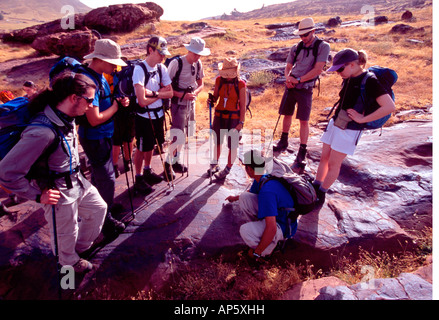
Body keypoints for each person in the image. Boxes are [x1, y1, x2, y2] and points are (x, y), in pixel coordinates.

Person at [0, 72, 107, 273]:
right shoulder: (42, 132)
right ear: (74, 98)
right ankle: (68, 266)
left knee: (98, 209)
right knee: (67, 232)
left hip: (78, 182)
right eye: (90, 100)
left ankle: (77, 252)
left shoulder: (67, 116)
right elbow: (6, 172)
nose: (92, 105)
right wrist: (38, 196)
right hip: (58, 192)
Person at [312, 48, 395, 205]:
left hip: (350, 130)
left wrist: (363, 119)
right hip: (336, 123)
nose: (338, 73)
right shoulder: (349, 77)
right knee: (324, 158)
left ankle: (321, 194)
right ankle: (316, 185)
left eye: (340, 69)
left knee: (333, 164)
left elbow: (389, 106)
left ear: (351, 64)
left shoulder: (370, 81)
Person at [78, 39, 130, 237]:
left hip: (104, 135)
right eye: (113, 62)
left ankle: (102, 209)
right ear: (100, 59)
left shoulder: (99, 76)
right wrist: (116, 107)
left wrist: (118, 101)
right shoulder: (88, 82)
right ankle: (104, 221)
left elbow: (102, 108)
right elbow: (94, 119)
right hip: (95, 137)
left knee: (101, 176)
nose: (115, 66)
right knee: (106, 178)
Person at [273, 17, 330, 170]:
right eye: (301, 35)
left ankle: (302, 150)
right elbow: (288, 66)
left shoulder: (323, 47)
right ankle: (283, 141)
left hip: (305, 88)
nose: (303, 38)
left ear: (313, 31)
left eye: (305, 35)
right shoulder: (296, 47)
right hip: (291, 86)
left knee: (303, 120)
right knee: (286, 114)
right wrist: (288, 78)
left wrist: (297, 80)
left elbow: (318, 70)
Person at [226, 150, 298, 259]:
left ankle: (267, 250)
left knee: (245, 231)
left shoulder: (267, 192)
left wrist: (256, 252)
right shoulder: (263, 176)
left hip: (283, 226)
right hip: (279, 215)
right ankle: (262, 234)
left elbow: (272, 228)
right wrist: (234, 198)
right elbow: (250, 194)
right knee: (244, 197)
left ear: (249, 169)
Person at [133, 36, 173, 192]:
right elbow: (141, 101)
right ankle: (138, 178)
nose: (163, 56)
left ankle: (147, 170)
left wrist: (153, 93)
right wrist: (159, 93)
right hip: (144, 116)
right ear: (150, 50)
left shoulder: (161, 68)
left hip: (158, 115)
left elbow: (170, 93)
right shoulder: (139, 69)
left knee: (151, 145)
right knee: (142, 147)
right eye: (160, 53)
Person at [166, 37, 210, 175]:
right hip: (178, 104)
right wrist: (182, 95)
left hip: (191, 103)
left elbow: (201, 84)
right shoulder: (176, 63)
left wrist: (194, 93)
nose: (197, 57)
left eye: (199, 54)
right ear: (188, 50)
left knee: (186, 133)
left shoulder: (198, 64)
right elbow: (165, 87)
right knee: (177, 133)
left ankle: (176, 160)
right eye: (195, 53)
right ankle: (168, 164)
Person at [207, 57, 246, 180]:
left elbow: (243, 105)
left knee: (232, 145)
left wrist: (241, 122)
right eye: (226, 73)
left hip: (234, 118)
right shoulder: (219, 80)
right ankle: (215, 163)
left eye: (230, 74)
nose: (227, 76)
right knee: (217, 141)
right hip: (219, 116)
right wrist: (211, 100)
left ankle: (227, 169)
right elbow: (216, 97)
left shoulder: (240, 84)